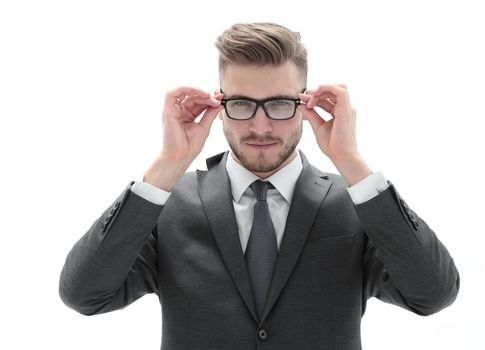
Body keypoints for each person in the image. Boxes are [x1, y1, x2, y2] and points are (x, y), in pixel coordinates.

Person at [59, 22, 460, 349]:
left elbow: (433, 294)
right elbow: (83, 295)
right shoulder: (170, 204)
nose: (261, 126)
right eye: (243, 104)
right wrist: (167, 166)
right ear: (218, 105)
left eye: (280, 104)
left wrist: (351, 161)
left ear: (307, 104)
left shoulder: (354, 203)